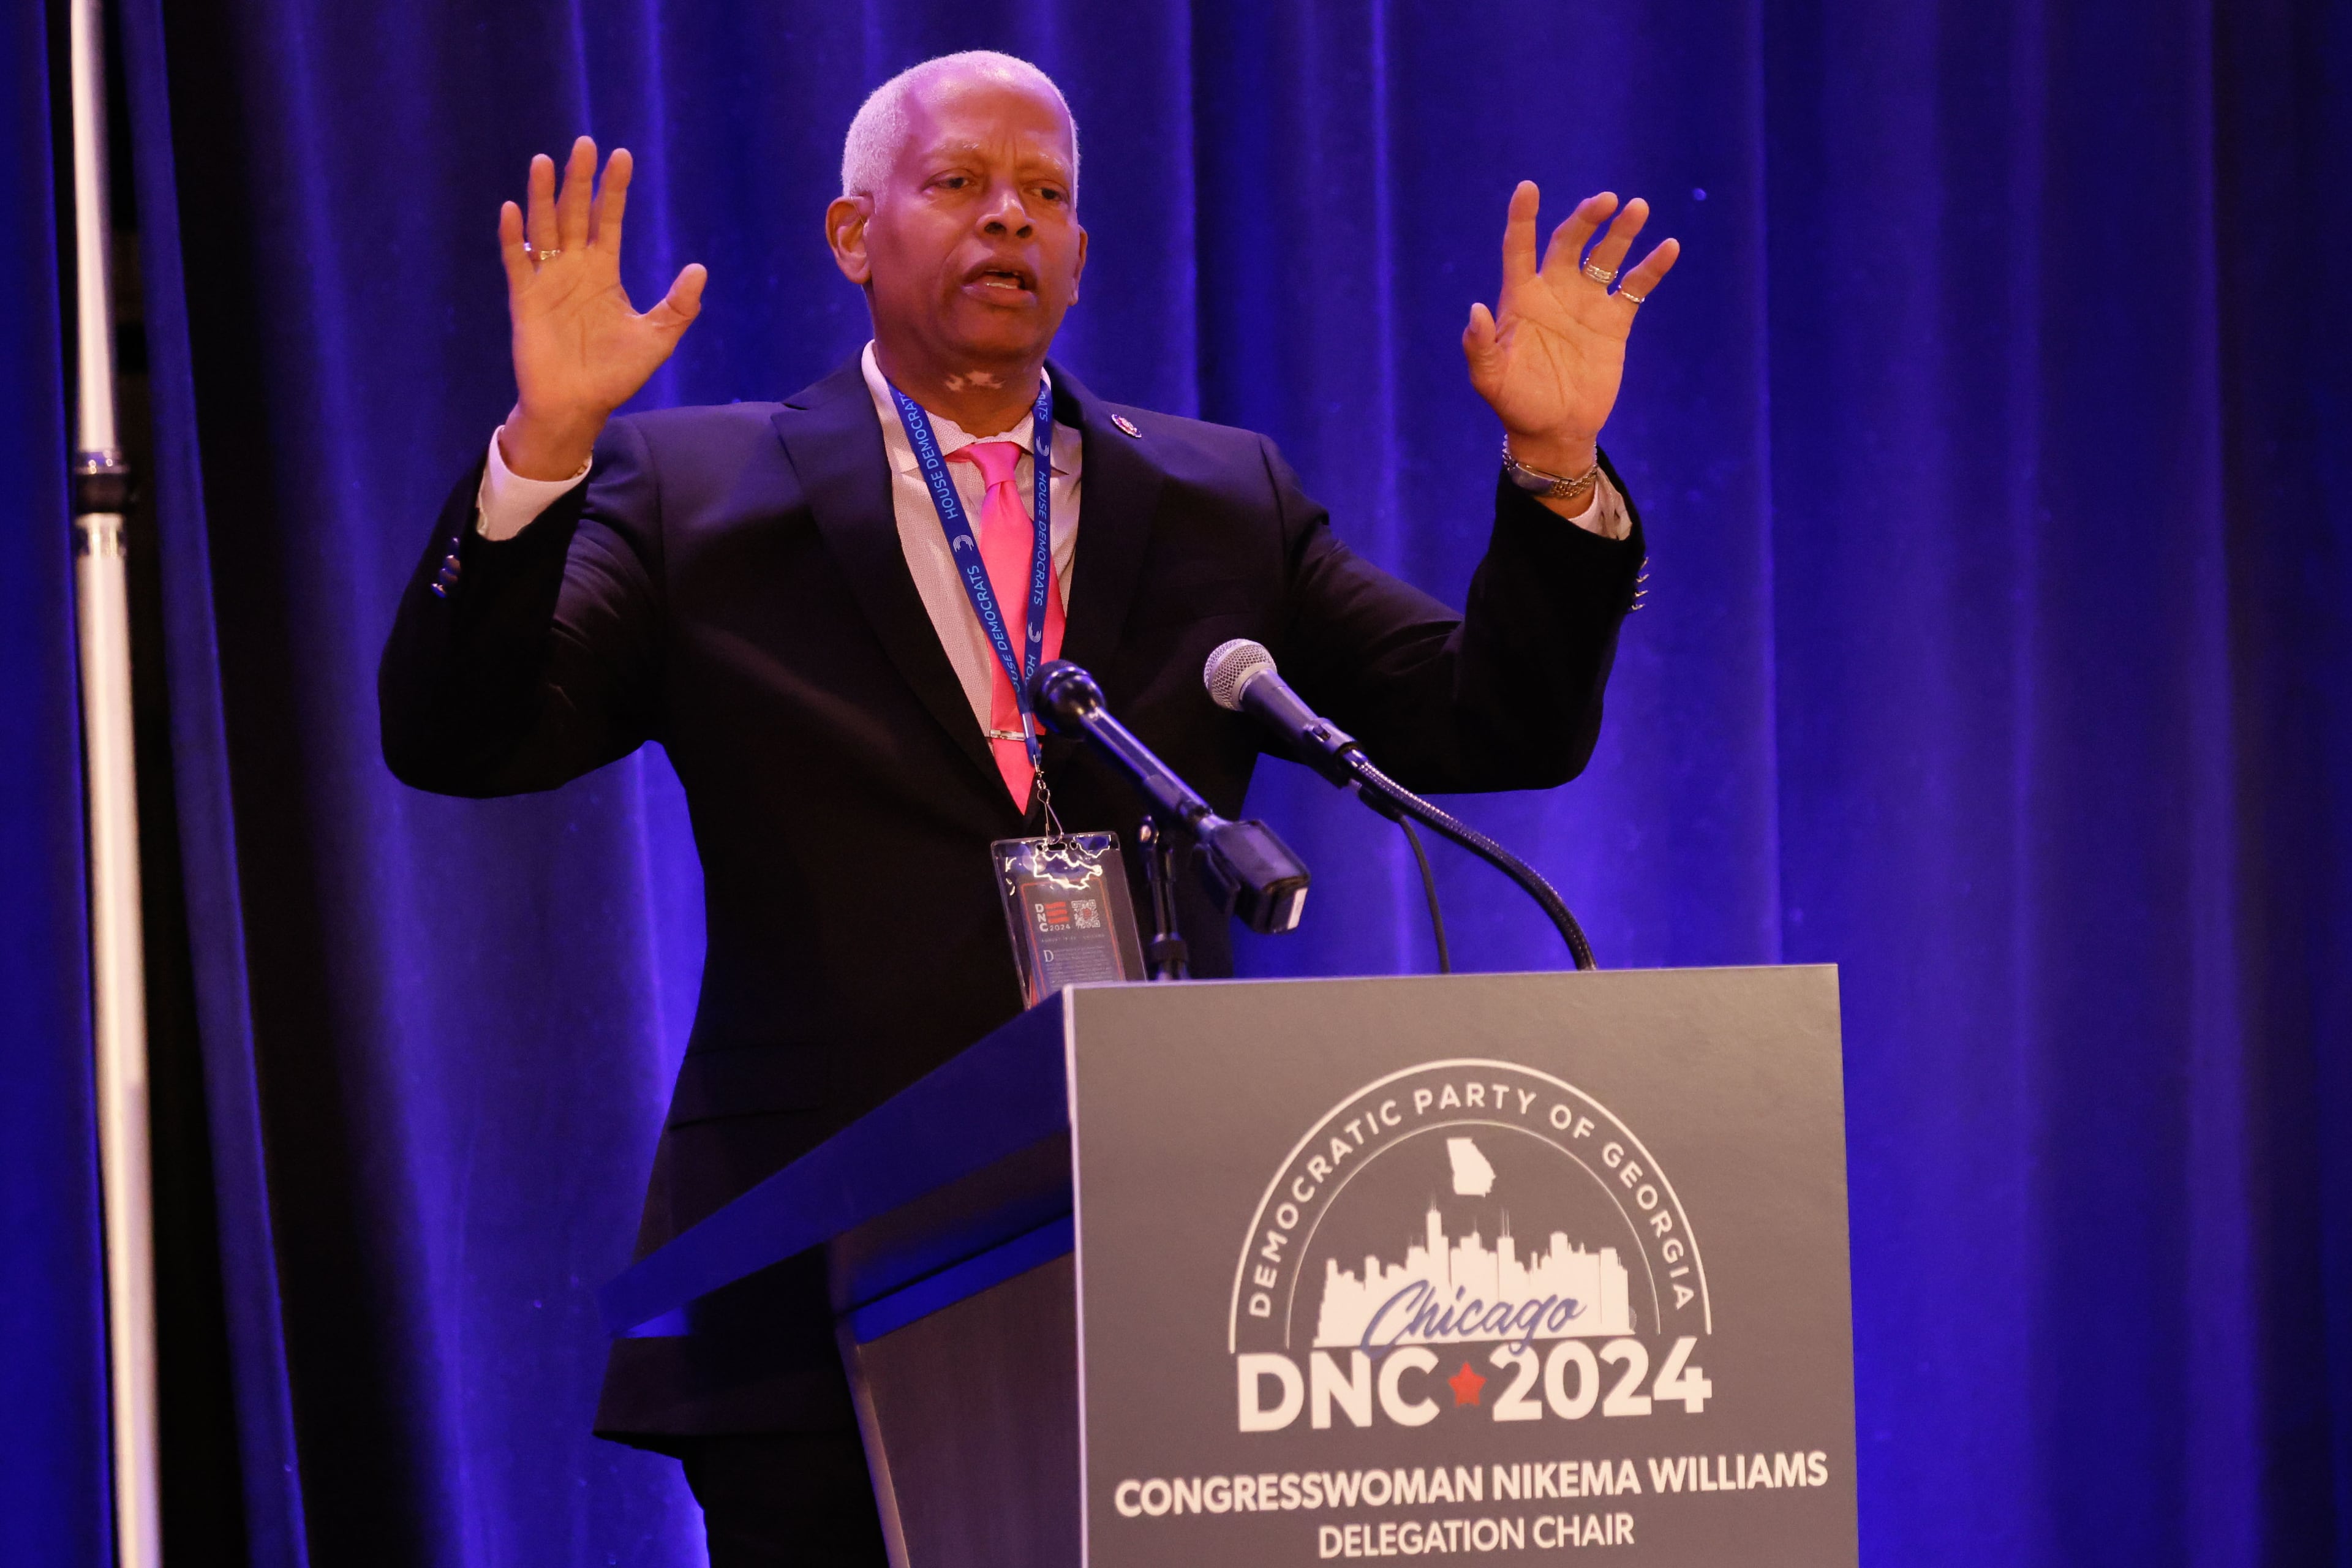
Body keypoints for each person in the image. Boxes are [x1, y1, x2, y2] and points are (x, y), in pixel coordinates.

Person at [379, 48, 1677, 1568]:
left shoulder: (1216, 494)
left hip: (1172, 1266)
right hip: (818, 1267)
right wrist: (542, 456)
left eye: (1047, 195)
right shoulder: (695, 488)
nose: (1012, 221)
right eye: (962, 185)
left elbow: (1492, 724)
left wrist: (1554, 466)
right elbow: (462, 738)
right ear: (856, 236)